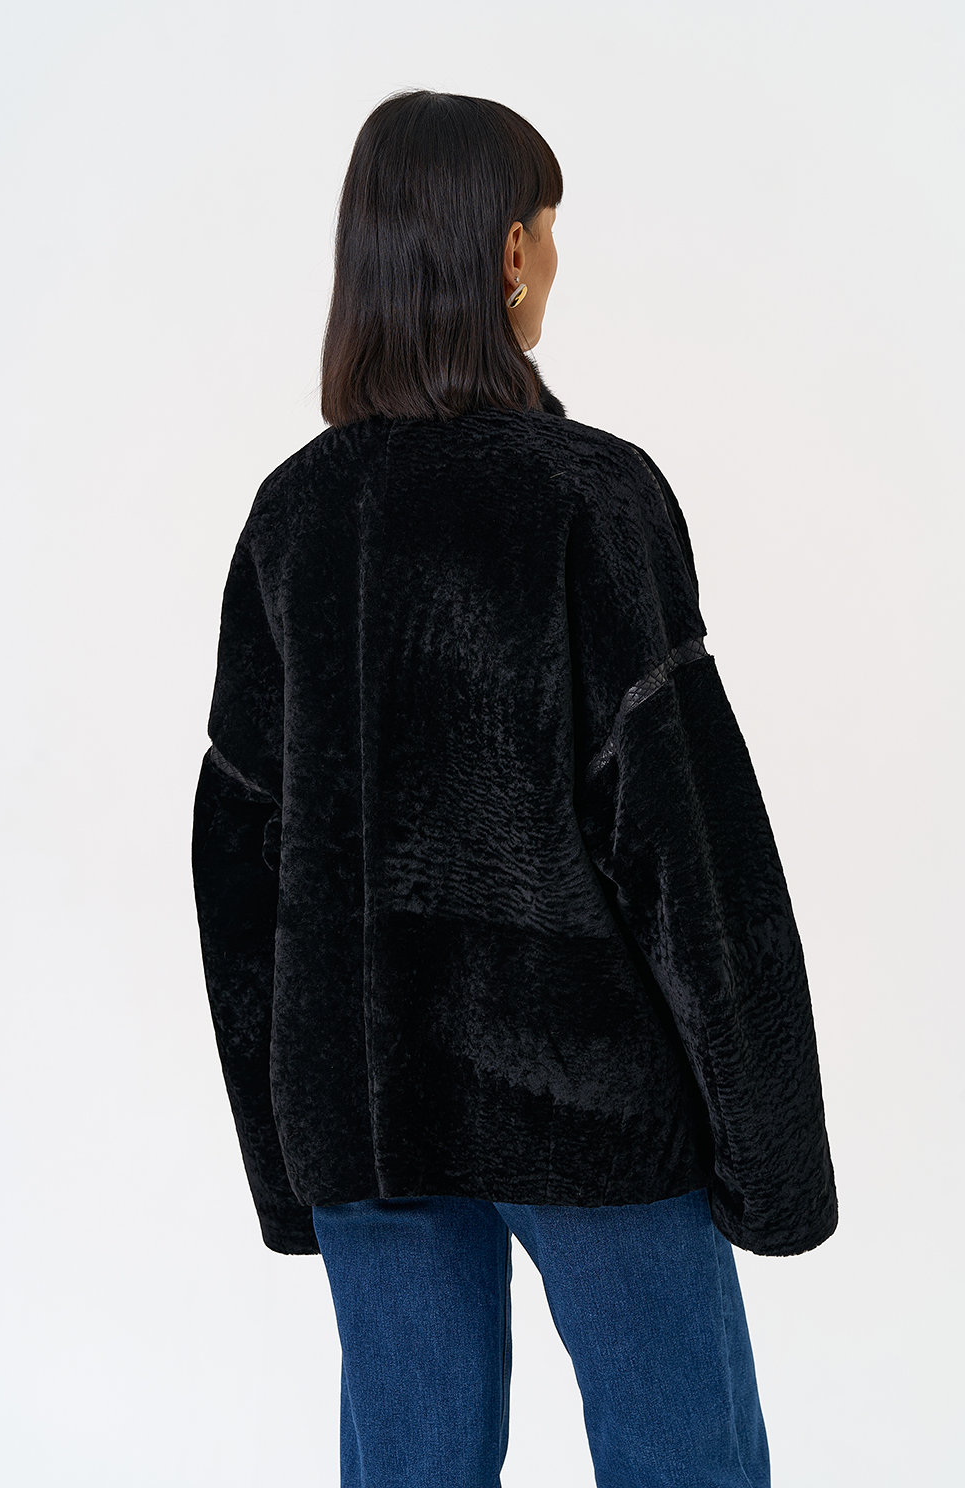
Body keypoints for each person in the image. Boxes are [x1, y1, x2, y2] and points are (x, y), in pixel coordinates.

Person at [192, 89, 838, 1488]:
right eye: (548, 227)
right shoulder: (589, 496)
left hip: (366, 1111)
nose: (553, 259)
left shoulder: (292, 518)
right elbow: (688, 843)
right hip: (589, 1101)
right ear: (505, 253)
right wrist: (773, 1156)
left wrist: (289, 1150)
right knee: (688, 1463)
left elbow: (236, 852)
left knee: (412, 1471)